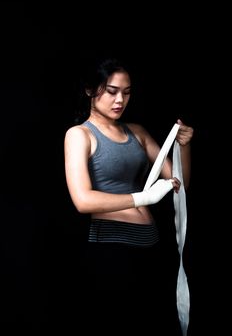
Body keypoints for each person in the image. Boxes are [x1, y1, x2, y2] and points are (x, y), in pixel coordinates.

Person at [64, 55, 194, 334]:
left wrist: (183, 146)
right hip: (111, 250)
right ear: (90, 90)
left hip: (152, 246)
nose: (120, 100)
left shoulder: (137, 132)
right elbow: (82, 200)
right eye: (111, 92)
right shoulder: (79, 135)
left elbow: (179, 183)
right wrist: (143, 199)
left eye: (126, 92)